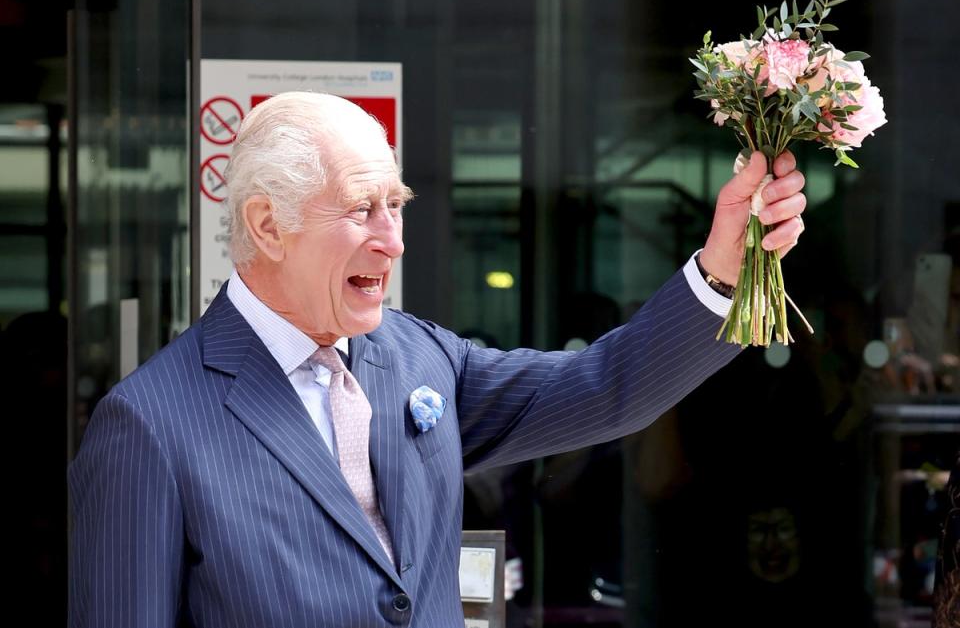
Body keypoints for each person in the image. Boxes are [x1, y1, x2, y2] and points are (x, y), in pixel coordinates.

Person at [68, 91, 807, 627]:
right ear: (268, 225)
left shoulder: (418, 357)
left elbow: (606, 388)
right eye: (362, 208)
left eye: (398, 205)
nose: (393, 239)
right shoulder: (147, 425)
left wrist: (721, 273)